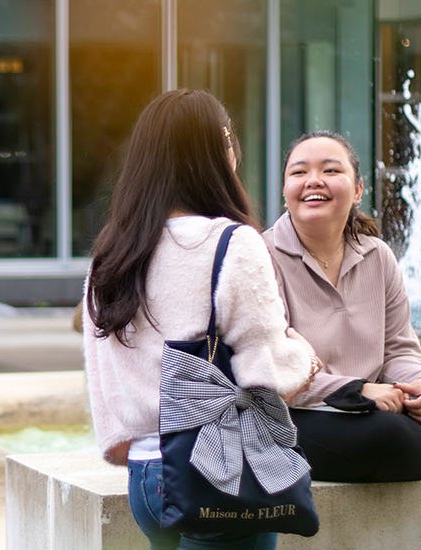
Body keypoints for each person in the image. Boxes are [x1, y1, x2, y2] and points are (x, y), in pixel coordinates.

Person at [80, 89, 321, 550]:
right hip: (215, 472)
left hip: (146, 478)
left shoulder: (111, 253)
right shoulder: (231, 242)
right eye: (228, 137)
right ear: (214, 153)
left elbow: (102, 377)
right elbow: (263, 376)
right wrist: (305, 358)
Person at [262, 131, 421, 550]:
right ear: (286, 191)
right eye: (300, 172)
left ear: (356, 190)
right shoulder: (262, 258)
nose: (313, 180)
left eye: (330, 170)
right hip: (292, 417)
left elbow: (400, 350)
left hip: (375, 412)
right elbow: (273, 365)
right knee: (397, 439)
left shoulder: (378, 257)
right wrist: (358, 391)